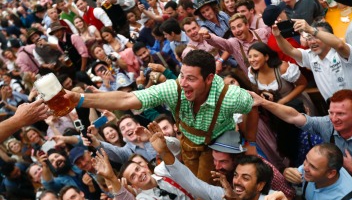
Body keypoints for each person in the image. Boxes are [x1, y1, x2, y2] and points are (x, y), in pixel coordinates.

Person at [64, 50, 256, 183]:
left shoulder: (229, 95)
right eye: (182, 75)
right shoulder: (174, 88)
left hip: (219, 149)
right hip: (188, 147)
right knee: (196, 188)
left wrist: (250, 141)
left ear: (209, 79)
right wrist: (79, 99)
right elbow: (126, 99)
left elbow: (253, 105)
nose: (183, 83)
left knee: (217, 189)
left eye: (191, 78)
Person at [149, 132, 288, 200]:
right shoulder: (227, 198)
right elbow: (191, 182)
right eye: (235, 176)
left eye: (245, 178)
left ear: (260, 185)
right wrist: (165, 152)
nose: (237, 182)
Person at [249, 89, 352, 178]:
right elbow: (293, 117)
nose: (334, 119)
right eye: (331, 112)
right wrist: (263, 102)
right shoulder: (326, 123)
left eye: (341, 114)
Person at [272, 19, 352, 101]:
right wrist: (278, 36)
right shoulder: (310, 56)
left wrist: (311, 30)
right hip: (332, 107)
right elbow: (289, 50)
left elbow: (340, 45)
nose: (312, 41)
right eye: (309, 38)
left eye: (316, 36)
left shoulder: (342, 52)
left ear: (329, 36)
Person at [283, 144, 352, 200]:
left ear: (331, 173)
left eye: (313, 167)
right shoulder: (311, 169)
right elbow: (295, 174)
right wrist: (287, 173)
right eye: (306, 160)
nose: (305, 168)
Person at [209, 130, 296, 200]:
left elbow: (288, 197)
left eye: (223, 161)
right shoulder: (226, 170)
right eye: (214, 160)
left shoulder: (258, 168)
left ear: (236, 159)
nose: (217, 166)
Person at [200, 13, 269, 75]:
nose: (237, 30)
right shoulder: (233, 43)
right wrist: (209, 36)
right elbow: (220, 42)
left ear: (247, 25)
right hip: (257, 82)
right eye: (233, 28)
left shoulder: (262, 33)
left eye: (239, 26)